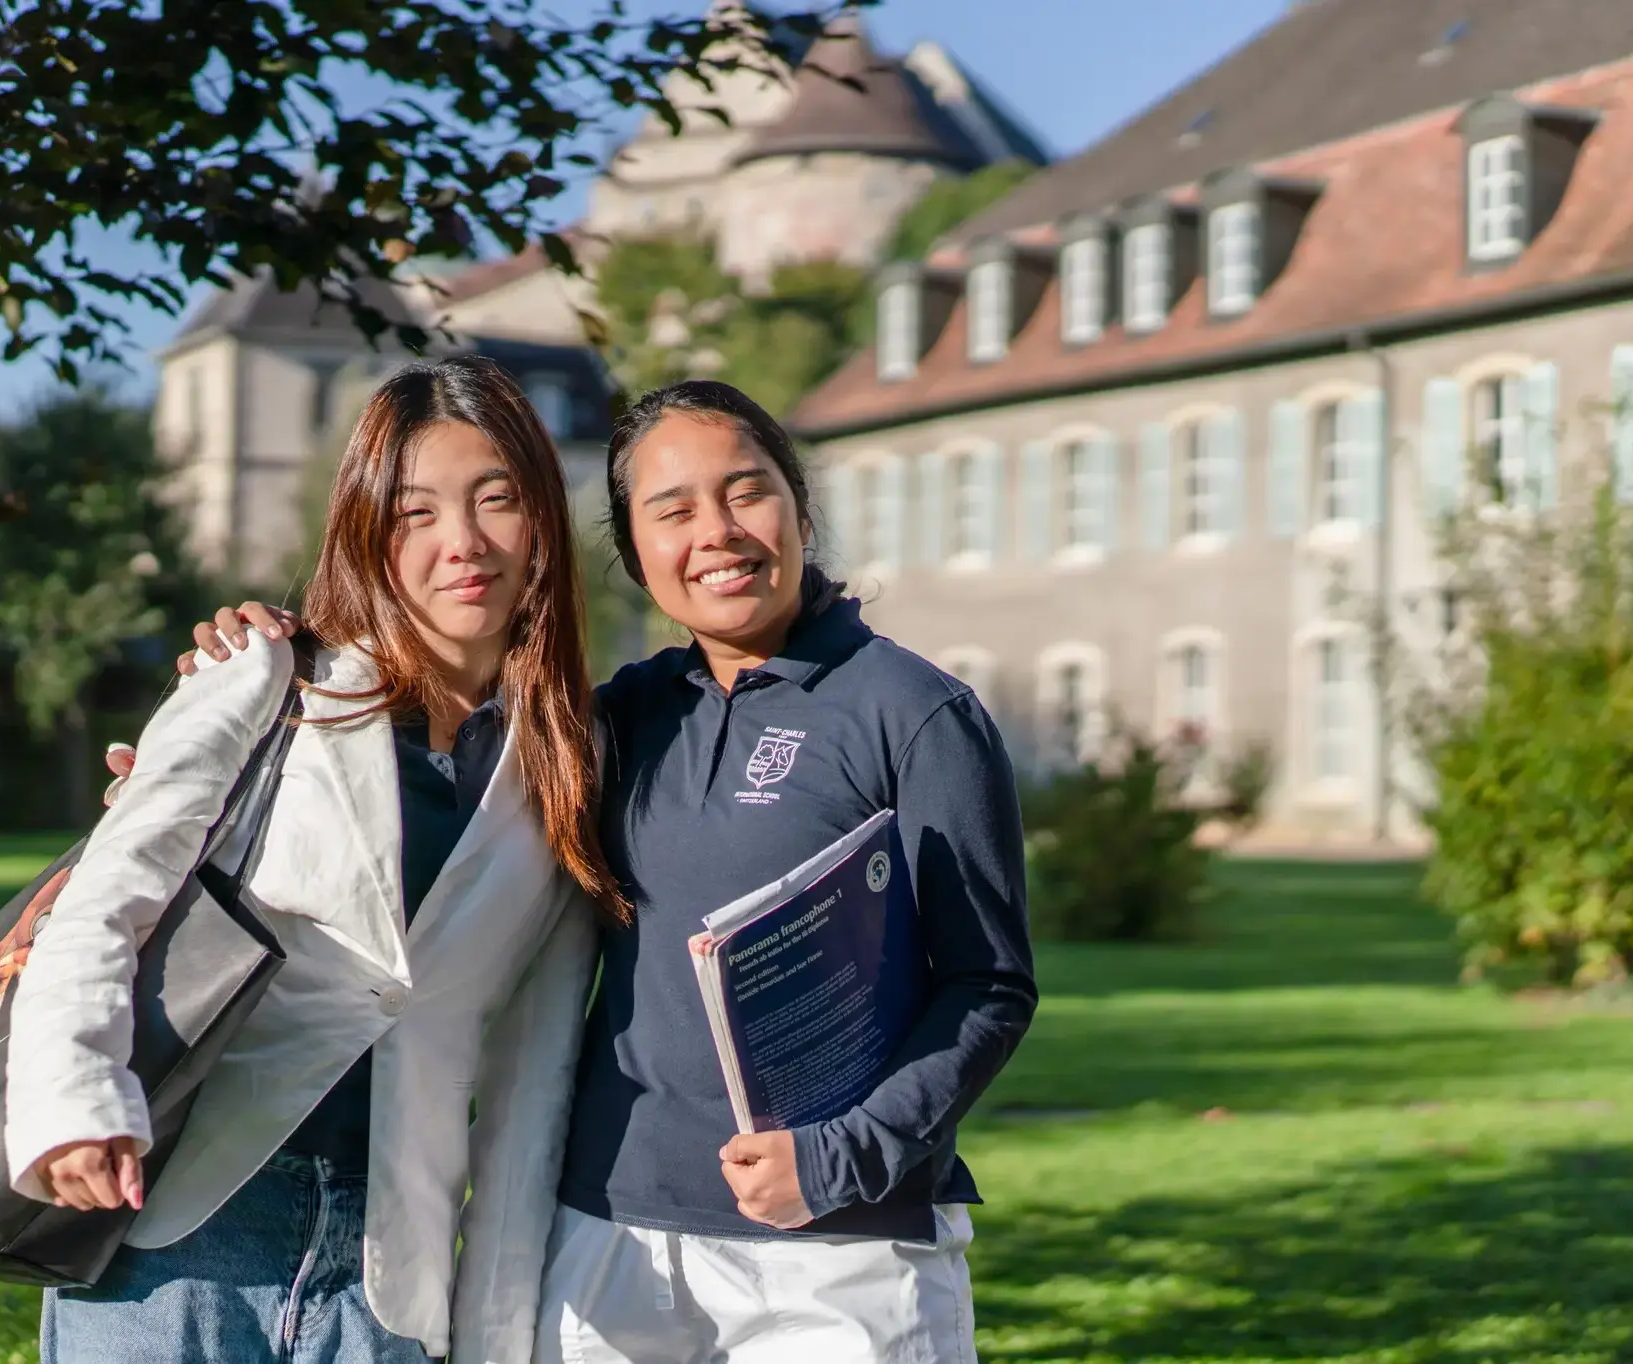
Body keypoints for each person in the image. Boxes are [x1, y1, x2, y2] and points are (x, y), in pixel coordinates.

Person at [160, 381, 1035, 1362]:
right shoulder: (610, 721)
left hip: (836, 1236)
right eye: (673, 510)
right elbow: (422, 748)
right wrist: (247, 693)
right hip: (606, 1231)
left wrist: (842, 1157)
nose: (718, 530)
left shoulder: (916, 712)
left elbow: (988, 985)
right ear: (633, 551)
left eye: (747, 492)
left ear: (799, 504)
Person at [8, 357, 618, 1364]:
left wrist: (497, 1331)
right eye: (415, 511)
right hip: (186, 1227)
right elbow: (105, 900)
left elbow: (532, 1078)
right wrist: (76, 1101)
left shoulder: (568, 765)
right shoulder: (266, 679)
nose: (461, 542)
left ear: (545, 522)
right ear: (369, 531)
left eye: (497, 500)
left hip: (392, 1275)